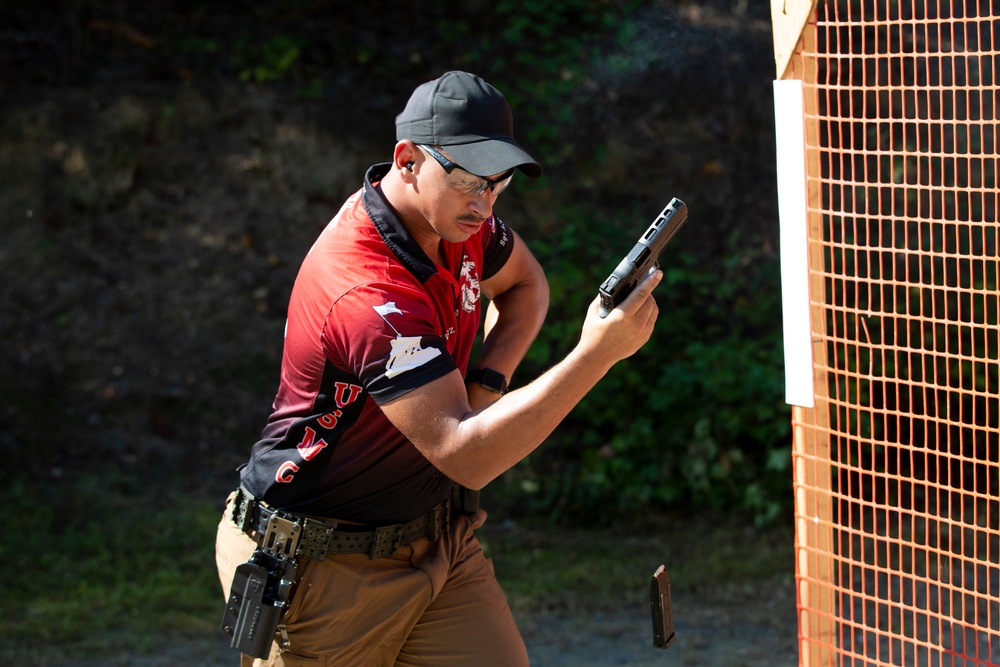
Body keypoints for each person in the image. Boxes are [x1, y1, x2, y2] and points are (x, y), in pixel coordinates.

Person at [215, 70, 662, 666]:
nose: (483, 204)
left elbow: (527, 285)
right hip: (320, 567)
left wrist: (486, 383)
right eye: (468, 182)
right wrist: (596, 355)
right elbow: (467, 454)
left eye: (498, 184)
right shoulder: (367, 291)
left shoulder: (457, 222)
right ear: (406, 161)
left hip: (437, 541)